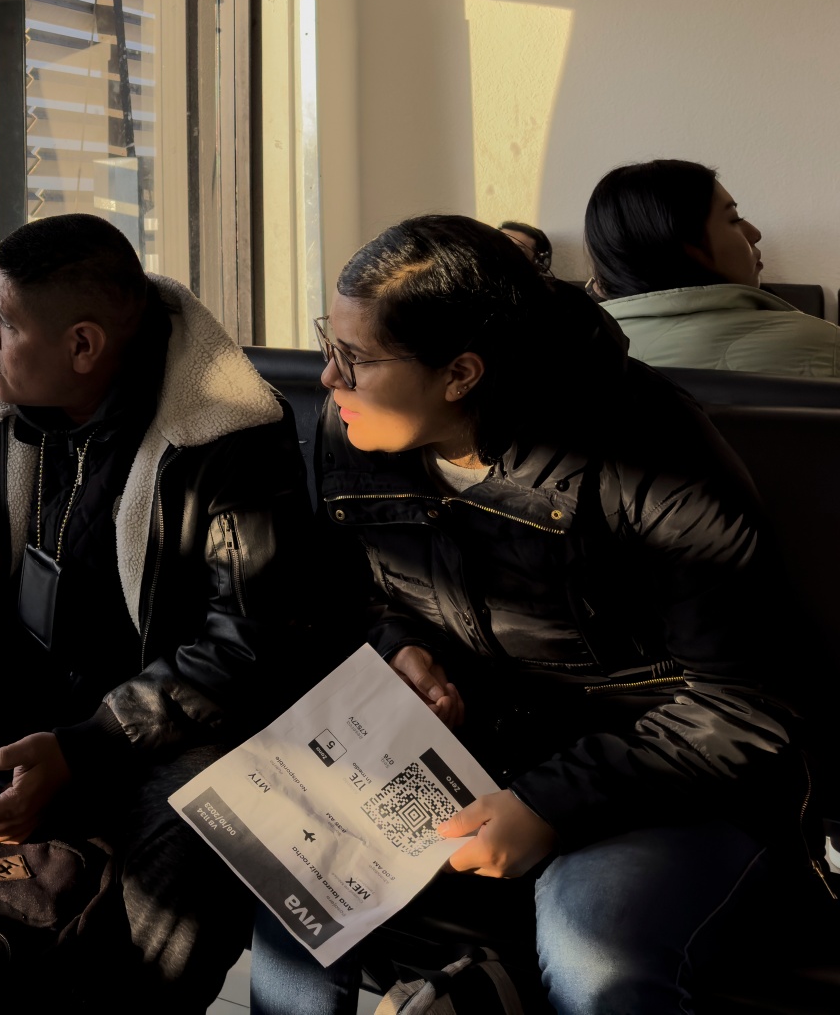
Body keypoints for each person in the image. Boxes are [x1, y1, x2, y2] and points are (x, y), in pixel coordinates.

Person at [250, 215, 812, 1015]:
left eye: (357, 359)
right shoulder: (357, 428)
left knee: (595, 962)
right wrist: (399, 644)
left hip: (663, 774)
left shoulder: (649, 451)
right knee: (290, 885)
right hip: (474, 749)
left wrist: (551, 802)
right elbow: (352, 593)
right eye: (328, 345)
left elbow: (745, 706)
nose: (328, 377)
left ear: (461, 373)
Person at [0, 213, 333, 1007]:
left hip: (158, 714)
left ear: (84, 346)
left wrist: (84, 748)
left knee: (192, 822)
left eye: (7, 321)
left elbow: (244, 646)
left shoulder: (228, 436)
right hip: (31, 676)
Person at [585, 158, 840, 376]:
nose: (755, 233)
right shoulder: (826, 346)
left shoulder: (567, 356)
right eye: (734, 219)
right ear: (683, 243)